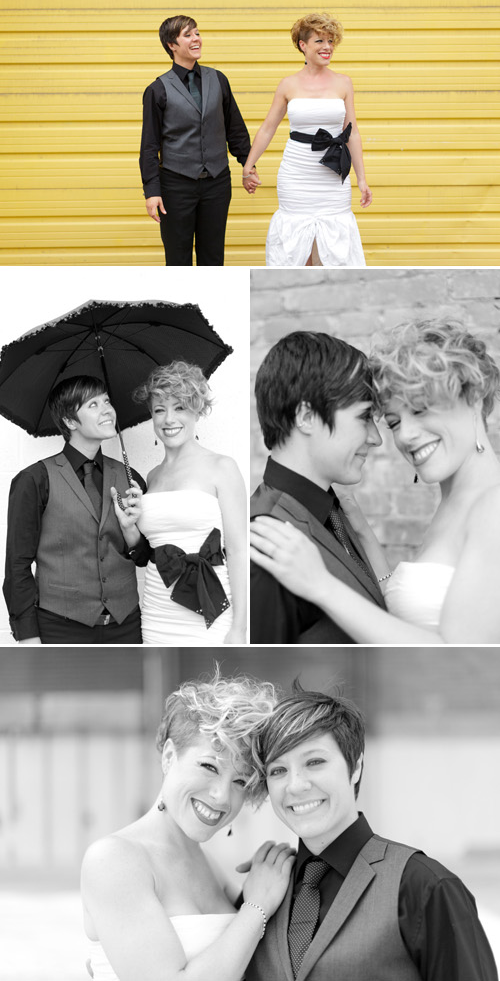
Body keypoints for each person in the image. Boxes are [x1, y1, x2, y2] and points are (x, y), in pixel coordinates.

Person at [250, 317, 500, 646]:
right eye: (394, 421)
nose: (402, 437)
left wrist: (322, 585)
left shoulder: (492, 506)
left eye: (422, 409)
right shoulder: (452, 503)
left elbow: (461, 655)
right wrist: (366, 540)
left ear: (476, 397)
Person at [246, 679, 498, 981]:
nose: (296, 785)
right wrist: (253, 905)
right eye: (278, 771)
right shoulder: (259, 893)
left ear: (355, 768)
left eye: (314, 762)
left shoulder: (425, 886)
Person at [81, 669, 295, 981]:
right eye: (209, 766)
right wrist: (256, 907)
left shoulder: (211, 864)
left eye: (240, 781)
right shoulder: (113, 859)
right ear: (169, 756)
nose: (222, 796)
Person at [250, 330, 386, 645]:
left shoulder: (334, 512)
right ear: (307, 416)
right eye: (364, 417)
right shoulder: (268, 542)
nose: (376, 437)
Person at [3, 377, 149, 645]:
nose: (107, 409)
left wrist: (131, 532)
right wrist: (28, 638)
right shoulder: (34, 480)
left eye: (106, 400)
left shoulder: (130, 478)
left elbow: (143, 558)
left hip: (126, 625)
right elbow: (17, 566)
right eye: (93, 404)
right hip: (60, 628)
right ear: (70, 421)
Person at [110, 361, 247, 646]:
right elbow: (150, 549)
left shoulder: (223, 467)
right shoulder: (151, 476)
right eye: (160, 410)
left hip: (212, 610)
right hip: (158, 611)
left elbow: (237, 551)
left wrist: (240, 628)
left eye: (180, 407)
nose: (168, 419)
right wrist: (129, 527)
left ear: (197, 409)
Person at [243, 11, 372, 267]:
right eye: (319, 41)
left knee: (332, 249)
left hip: (333, 175)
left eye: (331, 41)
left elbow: (352, 132)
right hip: (296, 174)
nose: (327, 47)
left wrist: (362, 179)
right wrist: (248, 166)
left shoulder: (344, 83)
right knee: (297, 249)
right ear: (302, 45)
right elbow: (268, 128)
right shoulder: (288, 84)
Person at [140, 14, 251, 266]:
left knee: (213, 257)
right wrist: (152, 191)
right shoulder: (157, 90)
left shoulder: (218, 79)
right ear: (172, 45)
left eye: (197, 33)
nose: (196, 39)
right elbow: (149, 145)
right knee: (177, 259)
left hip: (217, 183)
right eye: (187, 35)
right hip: (175, 186)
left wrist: (248, 164)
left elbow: (235, 128)